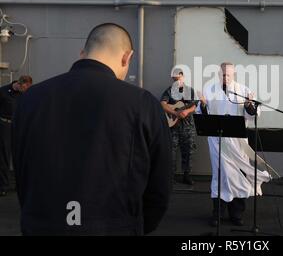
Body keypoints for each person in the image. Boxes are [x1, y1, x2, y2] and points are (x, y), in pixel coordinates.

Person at [12, 23, 172, 235]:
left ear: (82, 53)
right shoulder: (142, 103)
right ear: (127, 57)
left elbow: (22, 169)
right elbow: (159, 188)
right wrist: (133, 225)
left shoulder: (31, 98)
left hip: (42, 225)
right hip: (114, 227)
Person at [199, 62, 271, 227]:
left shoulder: (243, 90)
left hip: (237, 142)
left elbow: (253, 114)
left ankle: (236, 214)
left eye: (228, 75)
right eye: (223, 74)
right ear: (219, 74)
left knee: (238, 174)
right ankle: (217, 214)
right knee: (220, 175)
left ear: (234, 74)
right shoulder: (209, 90)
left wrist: (248, 105)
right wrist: (203, 106)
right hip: (217, 141)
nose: (225, 77)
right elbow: (201, 113)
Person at [160, 68, 197, 185]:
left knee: (188, 151)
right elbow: (162, 104)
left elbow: (194, 106)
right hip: (172, 127)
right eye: (174, 79)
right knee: (171, 152)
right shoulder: (169, 91)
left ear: (182, 77)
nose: (176, 81)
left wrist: (187, 111)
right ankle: (170, 177)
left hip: (188, 126)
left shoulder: (190, 91)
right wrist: (175, 113)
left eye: (178, 78)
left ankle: (187, 175)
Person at [0, 76, 33, 196]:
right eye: (24, 88)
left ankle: (19, 185)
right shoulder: (3, 91)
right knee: (4, 155)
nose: (26, 91)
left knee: (20, 154)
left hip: (19, 125)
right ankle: (3, 185)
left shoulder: (25, 94)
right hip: (5, 126)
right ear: (19, 84)